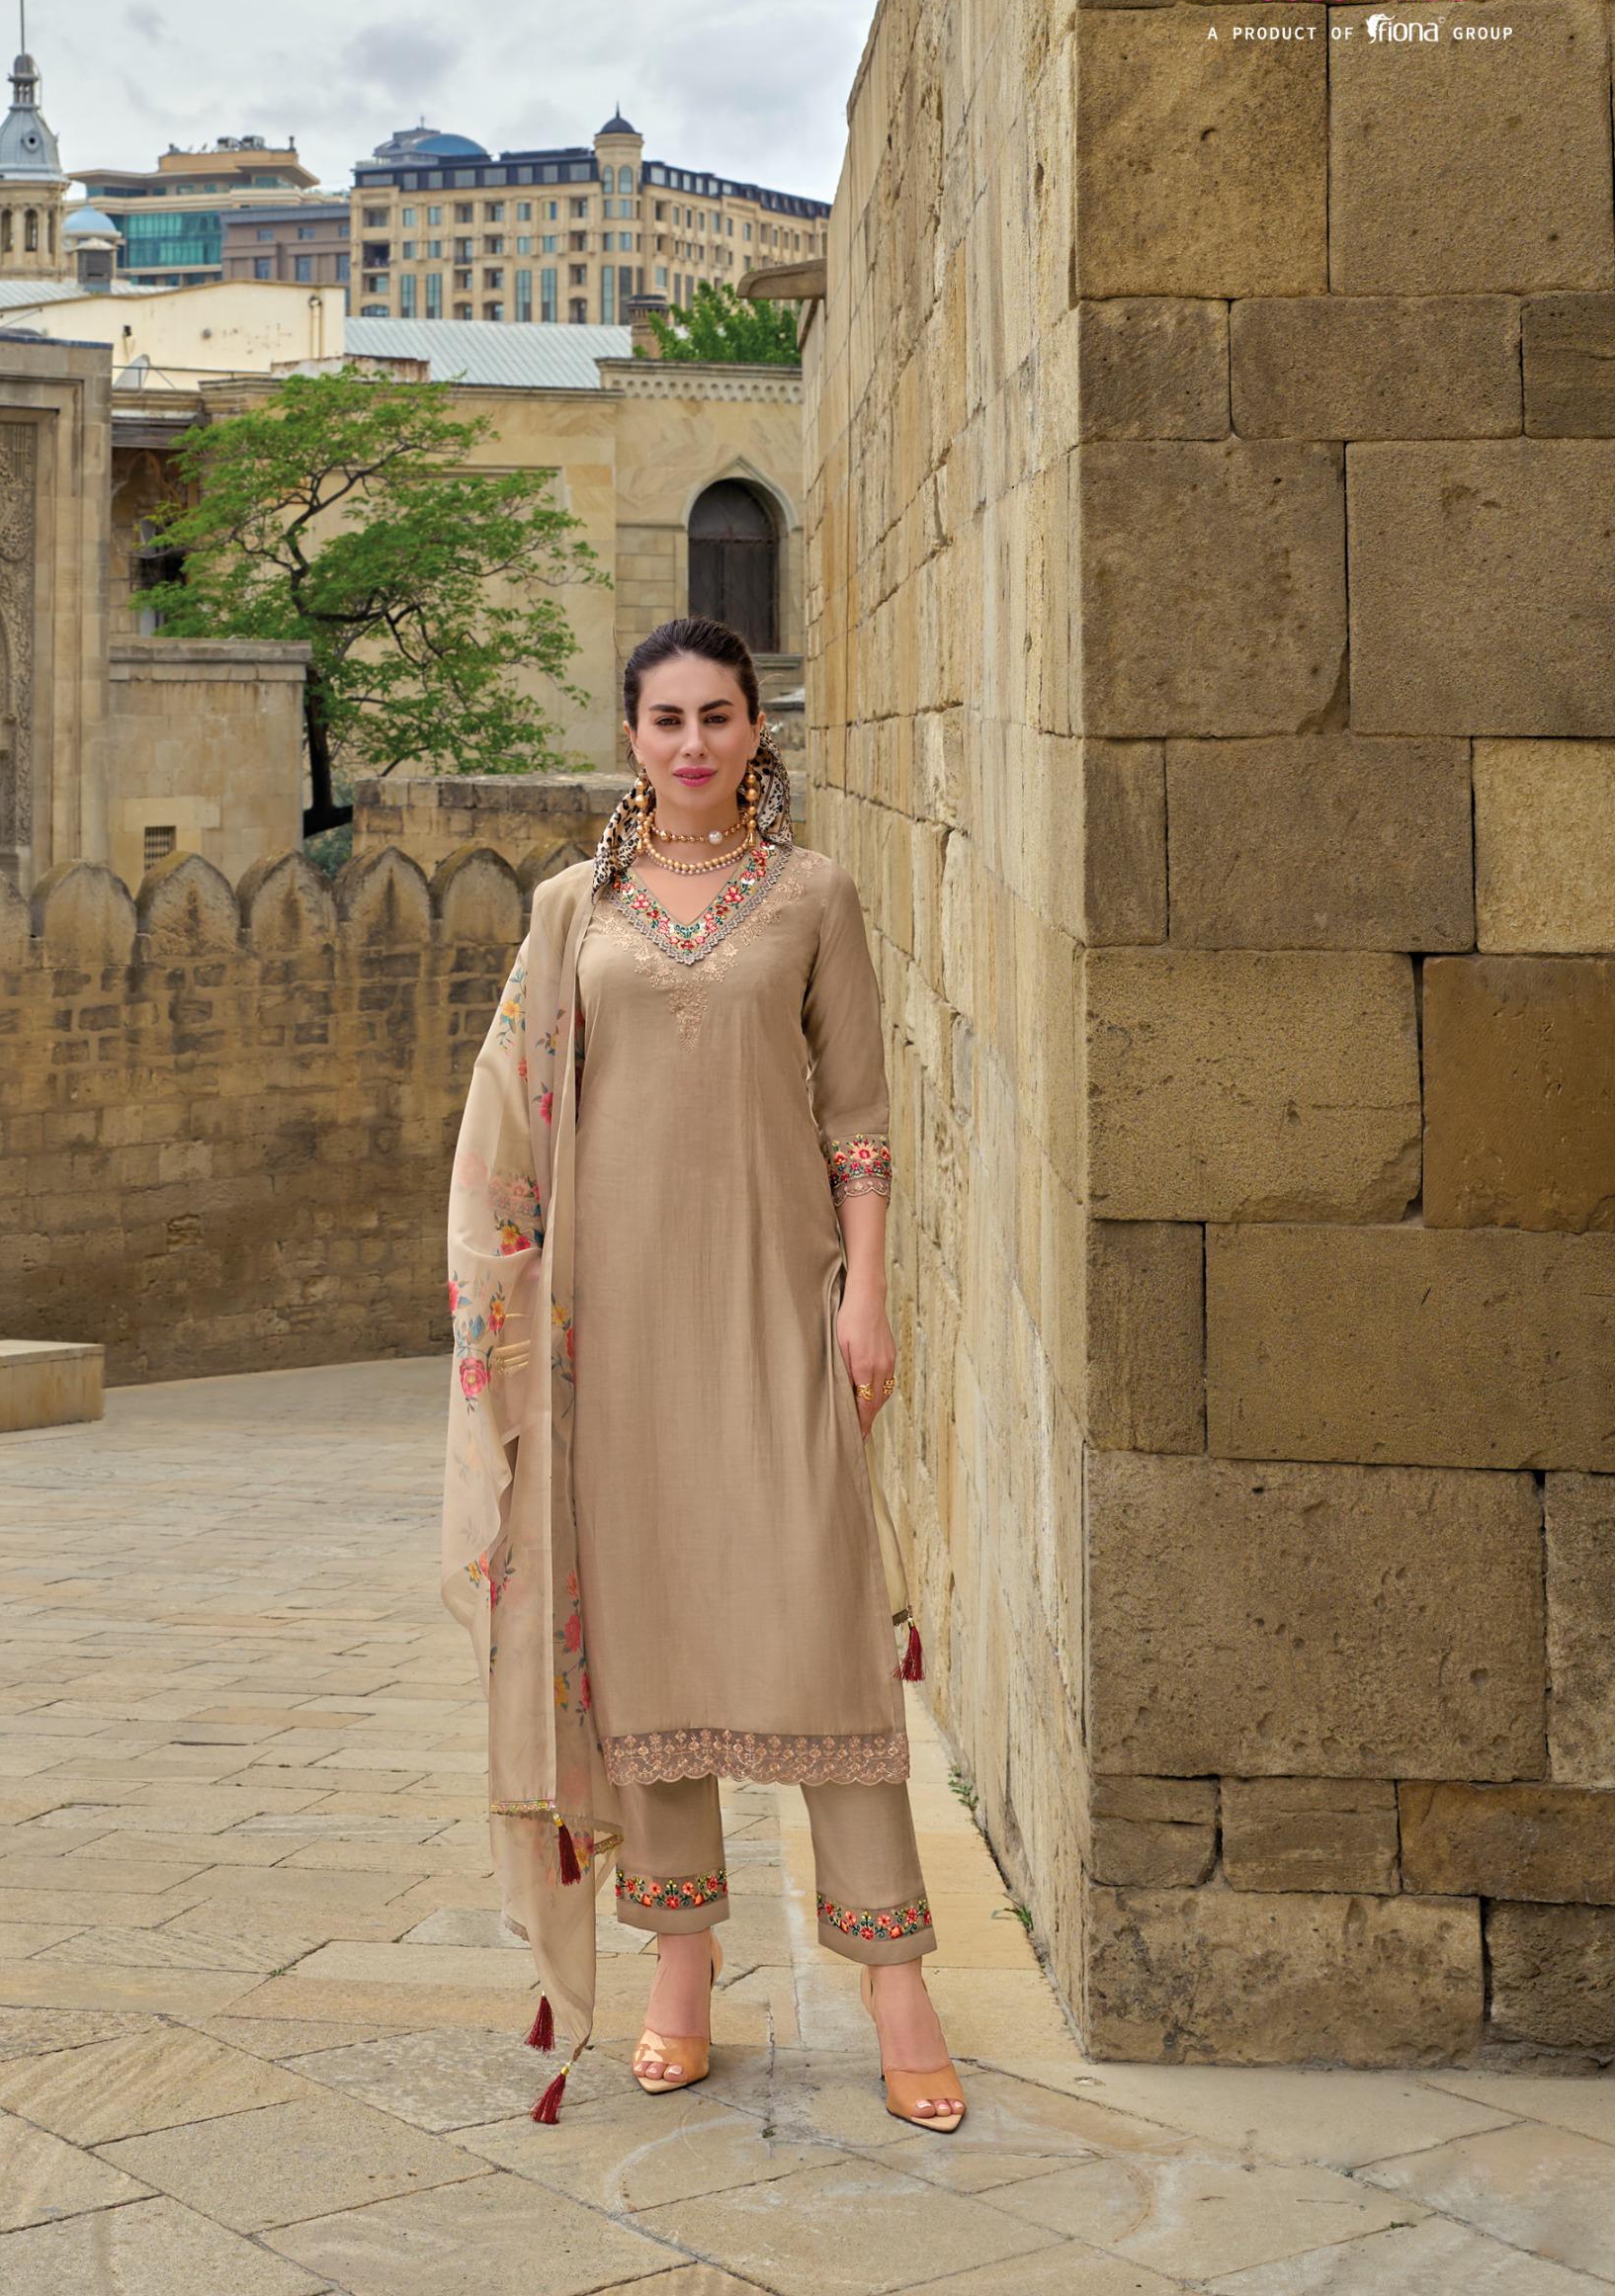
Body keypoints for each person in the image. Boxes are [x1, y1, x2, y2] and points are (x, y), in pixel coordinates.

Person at [441, 615, 965, 2132]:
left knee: (823, 1627)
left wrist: (868, 1299)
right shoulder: (572, 911)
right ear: (630, 735)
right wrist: (509, 1323)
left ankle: (896, 1980)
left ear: (755, 732)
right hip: (614, 1337)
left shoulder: (813, 896)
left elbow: (858, 1124)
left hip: (777, 1305)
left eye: (716, 717)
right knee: (650, 1640)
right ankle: (681, 1965)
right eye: (665, 719)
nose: (691, 744)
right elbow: (509, 1121)